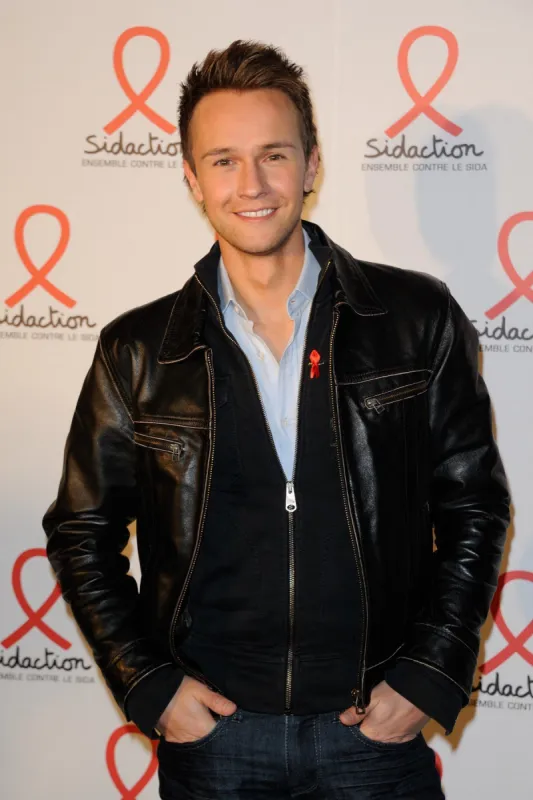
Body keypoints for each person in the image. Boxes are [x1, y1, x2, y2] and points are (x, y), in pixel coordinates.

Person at [43, 39, 510, 799]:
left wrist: (432, 669)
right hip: (216, 740)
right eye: (223, 160)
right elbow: (80, 531)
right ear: (192, 178)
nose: (251, 184)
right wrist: (147, 682)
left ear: (312, 164)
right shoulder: (137, 350)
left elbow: (472, 506)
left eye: (274, 155)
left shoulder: (415, 319)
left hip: (371, 728)